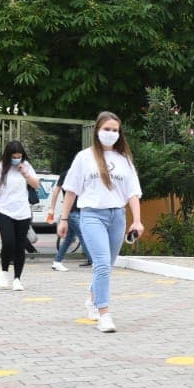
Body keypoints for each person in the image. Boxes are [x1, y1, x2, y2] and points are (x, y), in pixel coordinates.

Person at [58, 112, 143, 333]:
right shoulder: (84, 157)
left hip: (117, 216)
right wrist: (64, 218)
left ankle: (92, 298)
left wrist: (137, 221)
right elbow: (71, 190)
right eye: (107, 129)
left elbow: (133, 193)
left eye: (115, 130)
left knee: (107, 265)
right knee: (102, 264)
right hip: (92, 215)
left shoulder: (124, 160)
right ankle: (104, 314)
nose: (111, 134)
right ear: (97, 131)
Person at [0, 140, 41, 291]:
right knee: (8, 243)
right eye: (14, 156)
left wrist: (25, 173)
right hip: (4, 211)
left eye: (19, 156)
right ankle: (4, 271)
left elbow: (36, 185)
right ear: (8, 155)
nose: (16, 159)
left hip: (23, 211)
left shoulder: (26, 166)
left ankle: (17, 279)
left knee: (20, 246)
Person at [46, 164, 89, 271]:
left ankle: (57, 261)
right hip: (72, 212)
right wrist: (52, 208)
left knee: (69, 239)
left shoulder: (84, 174)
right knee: (84, 236)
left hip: (78, 211)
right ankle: (96, 260)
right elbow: (56, 191)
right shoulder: (67, 174)